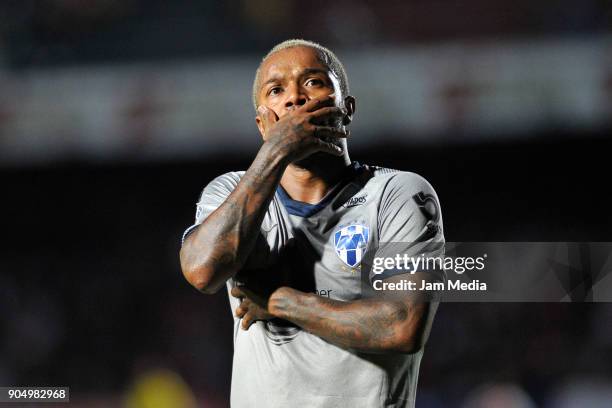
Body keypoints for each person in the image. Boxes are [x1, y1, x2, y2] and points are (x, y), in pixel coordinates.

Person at [179, 39, 445, 407]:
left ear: (346, 109)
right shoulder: (230, 192)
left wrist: (280, 302)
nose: (294, 99)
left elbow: (402, 325)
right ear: (262, 124)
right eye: (277, 90)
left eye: (313, 83)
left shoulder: (397, 193)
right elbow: (202, 271)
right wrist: (275, 152)